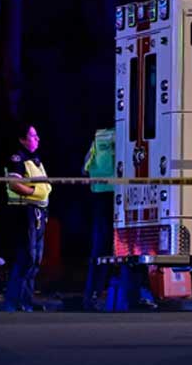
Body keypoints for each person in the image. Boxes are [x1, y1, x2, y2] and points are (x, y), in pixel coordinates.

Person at [2, 122, 52, 312]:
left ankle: (26, 301)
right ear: (22, 140)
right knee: (26, 258)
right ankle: (13, 302)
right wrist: (34, 192)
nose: (37, 138)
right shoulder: (18, 158)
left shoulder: (35, 159)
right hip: (25, 212)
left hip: (39, 213)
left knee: (36, 259)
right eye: (33, 136)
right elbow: (14, 184)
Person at [82, 128, 115, 310]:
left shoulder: (99, 136)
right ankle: (130, 294)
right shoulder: (123, 133)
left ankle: (92, 295)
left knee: (99, 249)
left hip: (99, 195)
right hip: (118, 194)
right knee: (125, 250)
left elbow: (85, 167)